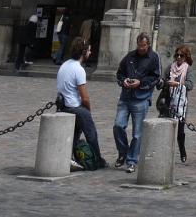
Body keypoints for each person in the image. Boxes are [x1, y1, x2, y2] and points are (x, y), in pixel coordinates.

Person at [113, 31, 162, 172]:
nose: (141, 48)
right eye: (139, 45)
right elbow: (120, 73)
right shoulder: (130, 56)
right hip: (126, 97)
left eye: (143, 46)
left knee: (137, 133)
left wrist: (140, 82)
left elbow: (156, 77)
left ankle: (132, 160)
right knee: (118, 126)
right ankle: (123, 152)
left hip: (141, 98)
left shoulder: (154, 58)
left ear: (148, 45)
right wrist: (124, 80)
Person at [56, 36, 107, 169]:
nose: (90, 52)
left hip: (63, 105)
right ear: (83, 52)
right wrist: (88, 110)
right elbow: (84, 97)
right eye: (89, 50)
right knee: (91, 134)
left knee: (75, 132)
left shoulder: (65, 64)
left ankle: (68, 156)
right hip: (74, 106)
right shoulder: (79, 69)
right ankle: (98, 160)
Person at [164, 44, 194, 164]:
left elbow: (190, 85)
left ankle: (182, 151)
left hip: (181, 103)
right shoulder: (170, 67)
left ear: (186, 57)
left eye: (182, 55)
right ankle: (166, 153)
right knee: (166, 128)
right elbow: (163, 79)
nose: (179, 57)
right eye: (177, 55)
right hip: (168, 101)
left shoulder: (188, 69)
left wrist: (177, 84)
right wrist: (165, 82)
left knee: (180, 130)